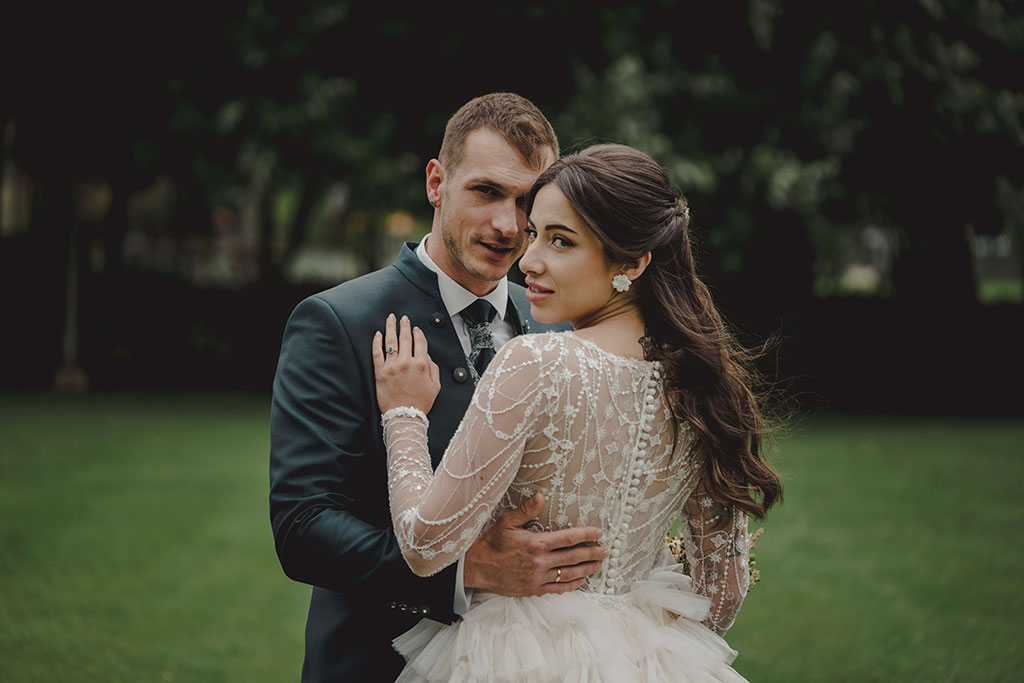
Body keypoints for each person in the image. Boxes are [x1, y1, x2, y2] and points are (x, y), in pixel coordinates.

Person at [373, 143, 783, 681]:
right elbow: (721, 596)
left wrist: (403, 415)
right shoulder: (705, 386)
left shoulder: (536, 362)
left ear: (633, 263)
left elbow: (426, 547)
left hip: (512, 655)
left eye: (561, 241)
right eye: (535, 233)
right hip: (649, 660)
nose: (529, 260)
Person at [269, 93, 610, 682]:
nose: (508, 225)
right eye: (485, 191)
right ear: (436, 181)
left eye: (526, 201)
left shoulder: (559, 323)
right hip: (378, 662)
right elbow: (303, 526)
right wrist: (466, 571)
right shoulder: (337, 322)